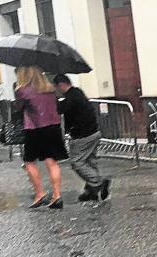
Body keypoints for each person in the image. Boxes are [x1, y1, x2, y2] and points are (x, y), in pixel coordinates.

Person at [14, 66, 67, 209]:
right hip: (53, 127)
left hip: (35, 128)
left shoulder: (22, 91)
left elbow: (19, 108)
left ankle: (40, 193)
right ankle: (57, 195)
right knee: (52, 162)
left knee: (29, 162)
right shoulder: (49, 88)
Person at [53, 74, 111, 202]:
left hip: (83, 135)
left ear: (61, 85)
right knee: (90, 161)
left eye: (56, 88)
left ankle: (98, 183)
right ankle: (91, 191)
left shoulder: (71, 97)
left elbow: (60, 109)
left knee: (77, 162)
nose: (57, 90)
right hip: (94, 132)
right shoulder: (77, 93)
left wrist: (54, 99)